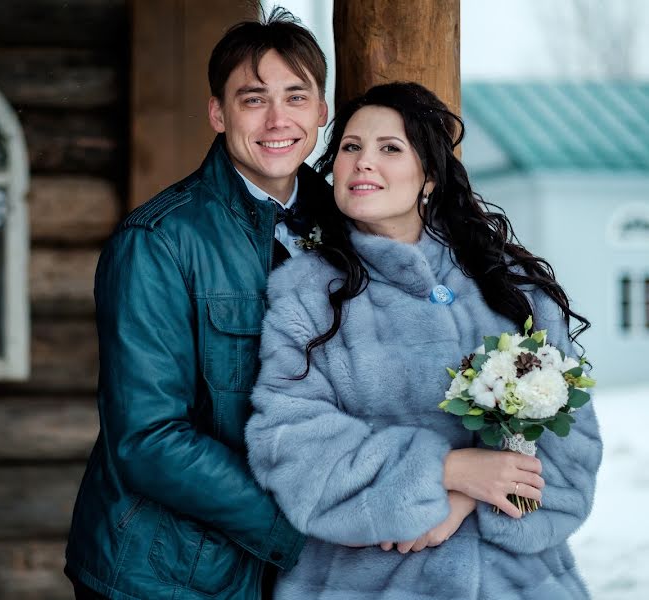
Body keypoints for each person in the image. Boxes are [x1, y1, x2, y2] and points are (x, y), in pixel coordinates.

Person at [245, 82, 602, 599]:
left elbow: (571, 452)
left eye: (390, 148)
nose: (364, 162)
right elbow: (292, 446)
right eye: (351, 147)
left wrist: (471, 498)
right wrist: (445, 470)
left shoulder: (509, 288)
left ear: (429, 175)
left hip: (518, 583)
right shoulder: (305, 296)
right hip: (368, 582)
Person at [65, 9, 332, 599]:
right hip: (166, 571)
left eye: (295, 96)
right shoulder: (158, 241)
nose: (278, 119)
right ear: (218, 113)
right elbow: (149, 438)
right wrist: (308, 528)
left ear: (322, 112)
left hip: (297, 572)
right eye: (253, 99)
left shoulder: (350, 229)